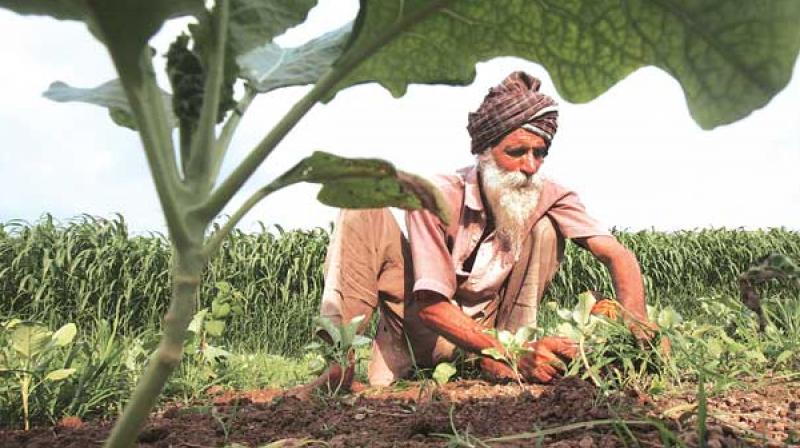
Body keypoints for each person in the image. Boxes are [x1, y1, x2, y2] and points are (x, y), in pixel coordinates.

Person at [304, 71, 657, 392]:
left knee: (546, 228)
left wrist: (636, 321)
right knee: (362, 206)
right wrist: (507, 352)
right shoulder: (436, 195)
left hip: (496, 332)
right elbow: (430, 306)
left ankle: (511, 359)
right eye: (516, 152)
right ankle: (339, 365)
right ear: (485, 152)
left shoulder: (547, 193)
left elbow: (616, 253)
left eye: (540, 152)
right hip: (423, 326)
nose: (529, 166)